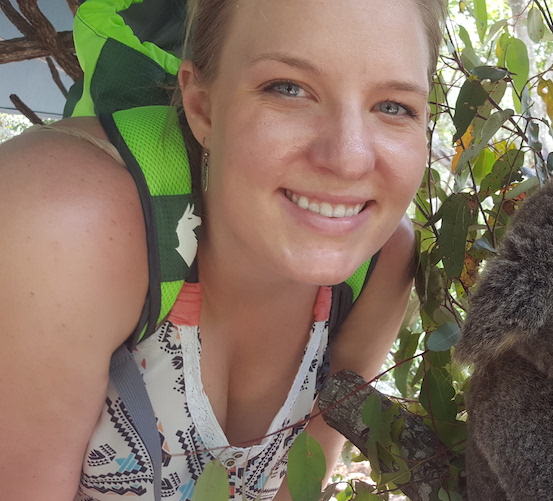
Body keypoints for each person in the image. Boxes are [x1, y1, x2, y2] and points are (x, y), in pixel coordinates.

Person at [0, 0, 446, 499]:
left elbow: (297, 485)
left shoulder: (383, 262)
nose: (347, 159)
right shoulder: (61, 222)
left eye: (394, 106)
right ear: (202, 106)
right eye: (289, 88)